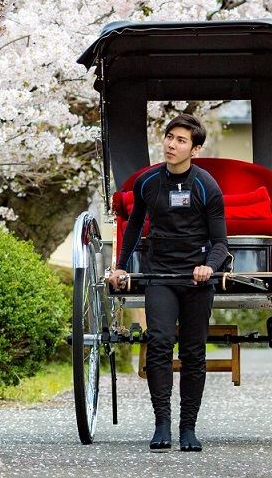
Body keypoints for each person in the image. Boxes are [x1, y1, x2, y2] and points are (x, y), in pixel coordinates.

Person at [108, 113, 228, 453]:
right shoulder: (147, 183)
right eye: (169, 137)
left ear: (196, 149)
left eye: (180, 140)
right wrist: (120, 266)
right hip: (159, 275)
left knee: (193, 352)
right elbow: (133, 228)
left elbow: (221, 242)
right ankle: (162, 423)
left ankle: (188, 427)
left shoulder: (206, 186)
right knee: (159, 343)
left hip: (194, 279)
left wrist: (208, 267)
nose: (171, 145)